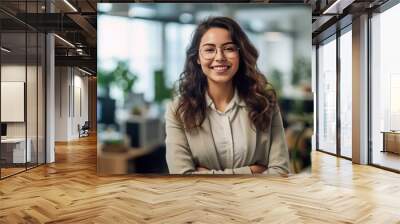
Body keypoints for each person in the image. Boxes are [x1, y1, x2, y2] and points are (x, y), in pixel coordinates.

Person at [165, 16, 289, 175]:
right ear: (197, 57)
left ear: (240, 54)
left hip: (258, 199)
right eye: (209, 50)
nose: (219, 57)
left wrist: (206, 175)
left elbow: (280, 172)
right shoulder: (178, 110)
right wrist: (251, 171)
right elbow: (181, 178)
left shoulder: (265, 104)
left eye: (229, 48)